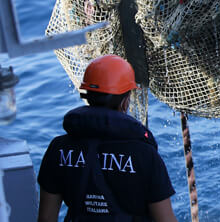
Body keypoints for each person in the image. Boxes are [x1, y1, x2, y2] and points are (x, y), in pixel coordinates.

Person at [37, 55, 177, 222]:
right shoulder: (145, 155)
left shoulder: (59, 149)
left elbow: (46, 219)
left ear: (86, 94)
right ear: (125, 101)